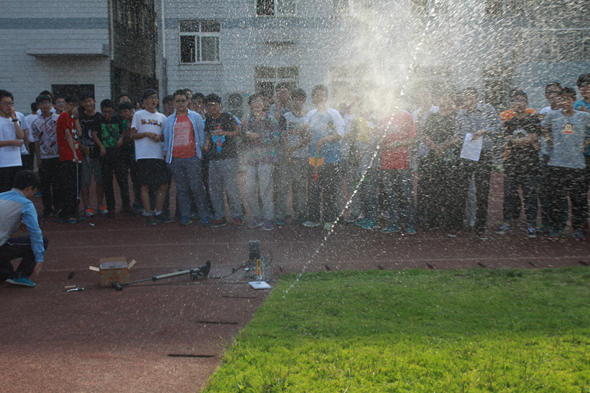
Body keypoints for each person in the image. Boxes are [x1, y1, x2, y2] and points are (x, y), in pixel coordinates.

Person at [450, 88, 502, 240]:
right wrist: (457, 139)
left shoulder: (487, 109)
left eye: (472, 97)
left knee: (482, 191)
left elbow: (499, 126)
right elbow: (458, 133)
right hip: (465, 154)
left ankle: (480, 226)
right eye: (466, 98)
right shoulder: (460, 114)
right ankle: (457, 224)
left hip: (483, 154)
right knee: (460, 190)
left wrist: (484, 131)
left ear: (477, 97)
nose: (469, 101)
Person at [541, 87, 590, 241]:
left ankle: (577, 228)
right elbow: (542, 127)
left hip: (577, 164)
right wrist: (549, 139)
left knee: (578, 199)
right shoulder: (553, 115)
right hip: (557, 163)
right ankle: (556, 227)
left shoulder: (583, 116)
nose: (565, 102)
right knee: (556, 198)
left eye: (569, 99)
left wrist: (586, 144)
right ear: (559, 101)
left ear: (574, 101)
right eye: (563, 99)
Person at [495, 89, 541, 239]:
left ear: (527, 103)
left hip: (530, 164)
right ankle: (507, 223)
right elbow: (509, 140)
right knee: (509, 195)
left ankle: (531, 225)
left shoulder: (533, 120)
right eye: (515, 100)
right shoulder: (509, 122)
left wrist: (520, 141)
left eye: (521, 100)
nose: (518, 103)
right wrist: (526, 141)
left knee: (530, 196)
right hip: (512, 163)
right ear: (511, 104)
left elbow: (532, 138)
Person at [163, 90, 211, 226]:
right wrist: (167, 155)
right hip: (176, 159)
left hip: (192, 158)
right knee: (182, 189)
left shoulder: (195, 117)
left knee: (196, 188)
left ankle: (204, 216)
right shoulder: (169, 120)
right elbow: (166, 139)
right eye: (177, 101)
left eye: (183, 100)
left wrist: (199, 152)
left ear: (187, 101)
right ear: (173, 102)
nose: (180, 103)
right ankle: (185, 215)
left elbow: (202, 135)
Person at [302, 85, 346, 231]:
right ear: (313, 99)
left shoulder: (334, 114)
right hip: (314, 159)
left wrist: (324, 140)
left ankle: (329, 219)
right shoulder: (310, 114)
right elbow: (307, 135)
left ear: (326, 97)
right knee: (313, 190)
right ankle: (313, 218)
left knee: (329, 191)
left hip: (331, 159)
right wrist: (302, 132)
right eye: (316, 96)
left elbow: (340, 133)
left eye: (321, 95)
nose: (319, 98)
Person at [421, 84, 460, 231]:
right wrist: (436, 148)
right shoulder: (432, 116)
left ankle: (452, 222)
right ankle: (433, 220)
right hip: (433, 156)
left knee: (451, 191)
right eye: (441, 97)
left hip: (451, 157)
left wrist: (442, 147)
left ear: (451, 99)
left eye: (446, 97)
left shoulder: (456, 116)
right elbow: (425, 135)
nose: (443, 100)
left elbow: (457, 137)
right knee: (433, 190)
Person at [0, 170, 48, 287]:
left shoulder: (2, 195)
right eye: (35, 189)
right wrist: (39, 258)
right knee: (43, 240)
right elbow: (35, 233)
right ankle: (20, 275)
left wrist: (16, 220)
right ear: (29, 188)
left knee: (5, 272)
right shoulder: (26, 204)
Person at [131, 89, 171, 225]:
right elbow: (132, 135)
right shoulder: (138, 115)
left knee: (163, 184)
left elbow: (165, 136)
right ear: (144, 101)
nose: (154, 100)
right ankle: (148, 213)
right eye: (150, 98)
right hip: (144, 155)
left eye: (156, 97)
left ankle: (158, 212)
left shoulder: (162, 117)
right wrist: (147, 134)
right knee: (145, 185)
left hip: (159, 155)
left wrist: (159, 137)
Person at [203, 93, 244, 228]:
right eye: (209, 105)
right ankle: (219, 216)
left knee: (231, 189)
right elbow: (209, 133)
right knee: (214, 189)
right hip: (213, 158)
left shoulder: (228, 117)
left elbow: (238, 132)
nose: (212, 107)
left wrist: (224, 133)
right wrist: (207, 143)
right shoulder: (208, 119)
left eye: (214, 105)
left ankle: (237, 216)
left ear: (220, 105)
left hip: (229, 157)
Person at [380, 92, 418, 235]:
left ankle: (410, 224)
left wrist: (397, 144)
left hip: (403, 162)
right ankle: (394, 223)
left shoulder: (407, 117)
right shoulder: (383, 118)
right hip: (386, 163)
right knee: (390, 194)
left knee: (407, 193)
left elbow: (413, 139)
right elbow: (380, 139)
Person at [243, 94, 280, 230]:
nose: (258, 103)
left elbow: (276, 138)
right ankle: (257, 217)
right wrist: (244, 133)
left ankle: (268, 218)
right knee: (248, 190)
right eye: (254, 102)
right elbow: (245, 141)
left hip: (266, 158)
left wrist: (258, 136)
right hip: (253, 159)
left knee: (264, 190)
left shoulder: (270, 119)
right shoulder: (249, 121)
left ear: (264, 104)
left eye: (260, 101)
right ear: (250, 105)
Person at [96, 99, 133, 217]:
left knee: (123, 181)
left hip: (118, 155)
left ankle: (126, 205)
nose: (107, 114)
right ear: (101, 111)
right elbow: (94, 134)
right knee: (107, 182)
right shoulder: (99, 119)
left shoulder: (118, 118)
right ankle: (111, 207)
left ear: (113, 110)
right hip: (105, 156)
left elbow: (124, 131)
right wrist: (101, 146)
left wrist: (121, 139)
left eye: (109, 112)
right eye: (105, 112)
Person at [280, 88, 310, 224]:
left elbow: (307, 138)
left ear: (304, 101)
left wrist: (293, 149)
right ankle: (280, 214)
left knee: (300, 187)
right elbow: (283, 136)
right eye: (295, 99)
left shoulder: (308, 117)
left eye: (300, 99)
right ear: (291, 100)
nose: (297, 102)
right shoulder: (286, 116)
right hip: (287, 158)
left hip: (302, 157)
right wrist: (287, 154)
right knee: (283, 186)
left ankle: (300, 213)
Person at [31, 94, 61, 218]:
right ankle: (47, 208)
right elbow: (36, 141)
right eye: (42, 103)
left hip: (57, 155)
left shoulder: (58, 118)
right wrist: (38, 157)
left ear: (51, 104)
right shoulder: (36, 122)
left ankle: (58, 206)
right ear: (38, 106)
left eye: (47, 102)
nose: (45, 105)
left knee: (57, 184)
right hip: (44, 157)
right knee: (45, 184)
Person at [56, 95, 84, 224]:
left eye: (75, 105)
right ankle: (66, 212)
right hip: (68, 156)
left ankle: (73, 210)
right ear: (66, 104)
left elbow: (79, 133)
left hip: (75, 155)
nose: (73, 107)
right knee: (68, 186)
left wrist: (77, 117)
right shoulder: (63, 116)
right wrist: (74, 154)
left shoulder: (72, 117)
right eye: (70, 105)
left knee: (75, 185)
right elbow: (68, 135)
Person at [78, 91, 106, 217]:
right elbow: (76, 135)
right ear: (82, 103)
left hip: (98, 153)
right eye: (85, 101)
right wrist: (80, 146)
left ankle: (100, 205)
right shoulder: (79, 117)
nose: (88, 103)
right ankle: (87, 207)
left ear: (94, 102)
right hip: (85, 154)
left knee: (100, 181)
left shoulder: (100, 117)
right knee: (85, 182)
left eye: (90, 101)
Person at [0, 90, 26, 193]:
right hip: (2, 162)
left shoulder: (16, 118)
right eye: (5, 103)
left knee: (16, 191)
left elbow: (21, 135)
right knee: (4, 192)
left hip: (16, 161)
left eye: (10, 103)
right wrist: (11, 142)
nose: (8, 106)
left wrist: (14, 119)